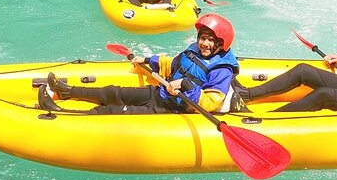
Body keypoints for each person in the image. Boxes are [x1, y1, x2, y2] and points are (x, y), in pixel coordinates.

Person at [38, 14, 248, 114]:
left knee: (111, 111)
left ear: (221, 43)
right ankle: (67, 91)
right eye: (203, 38)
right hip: (161, 92)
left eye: (211, 40)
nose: (205, 43)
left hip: (173, 108)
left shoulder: (222, 69)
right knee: (112, 92)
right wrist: (147, 60)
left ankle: (60, 112)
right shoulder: (195, 49)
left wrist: (185, 85)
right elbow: (174, 64)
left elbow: (211, 102)